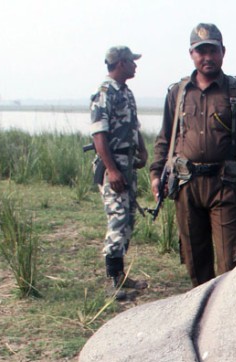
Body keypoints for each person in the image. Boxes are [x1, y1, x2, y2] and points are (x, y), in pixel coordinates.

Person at [150, 23, 236, 287]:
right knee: (195, 260)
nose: (207, 57)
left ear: (223, 52)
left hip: (224, 186)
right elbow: (165, 137)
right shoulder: (177, 93)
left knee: (230, 263)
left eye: (212, 50)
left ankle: (228, 320)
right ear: (191, 54)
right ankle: (201, 318)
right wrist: (156, 174)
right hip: (186, 186)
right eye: (200, 51)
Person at [89, 46, 149, 301]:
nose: (135, 66)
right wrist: (112, 170)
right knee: (117, 218)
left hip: (127, 162)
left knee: (128, 220)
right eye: (132, 62)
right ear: (121, 63)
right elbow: (99, 135)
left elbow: (133, 126)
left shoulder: (126, 92)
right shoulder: (104, 94)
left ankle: (122, 275)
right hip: (112, 165)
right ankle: (114, 280)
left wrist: (142, 150)